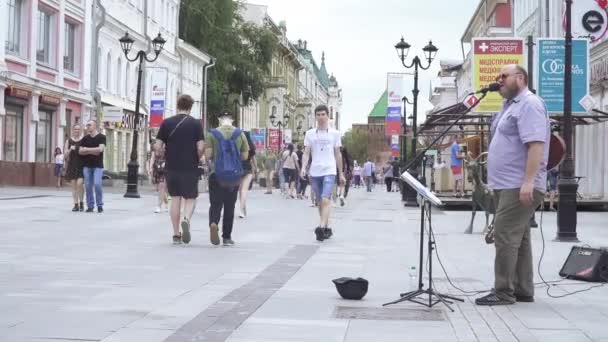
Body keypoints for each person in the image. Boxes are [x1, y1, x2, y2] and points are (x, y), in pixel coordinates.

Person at [475, 65, 550, 306]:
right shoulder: (508, 106)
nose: (499, 80)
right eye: (498, 77)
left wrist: (528, 181)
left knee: (504, 235)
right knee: (521, 237)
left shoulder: (530, 104)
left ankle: (503, 291)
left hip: (518, 184)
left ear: (521, 78)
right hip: (506, 184)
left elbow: (536, 145)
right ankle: (523, 289)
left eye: (504, 76)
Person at [156, 94, 205, 245]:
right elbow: (201, 147)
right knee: (190, 198)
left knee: (175, 199)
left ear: (177, 105)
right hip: (190, 167)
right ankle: (186, 220)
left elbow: (158, 147)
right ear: (191, 107)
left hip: (172, 167)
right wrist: (198, 156)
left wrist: (165, 154)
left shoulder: (166, 123)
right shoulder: (196, 124)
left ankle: (176, 234)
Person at [301, 104, 345, 241]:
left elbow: (338, 154)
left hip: (329, 170)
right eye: (318, 115)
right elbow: (306, 152)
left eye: (323, 114)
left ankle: (320, 227)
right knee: (320, 202)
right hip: (315, 171)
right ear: (315, 117)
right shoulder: (310, 134)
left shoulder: (335, 133)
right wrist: (303, 167)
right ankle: (326, 226)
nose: (320, 117)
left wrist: (341, 172)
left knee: (326, 199)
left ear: (327, 116)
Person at [205, 111, 249, 246]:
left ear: (220, 119)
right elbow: (245, 156)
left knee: (215, 203)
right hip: (233, 176)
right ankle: (227, 237)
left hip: (216, 174)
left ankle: (213, 223)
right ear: (232, 120)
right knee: (230, 206)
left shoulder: (212, 134)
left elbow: (208, 155)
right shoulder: (239, 134)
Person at [79, 120, 106, 213]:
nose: (88, 126)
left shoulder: (101, 137)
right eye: (87, 125)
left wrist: (87, 149)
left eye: (89, 125)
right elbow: (80, 151)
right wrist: (93, 151)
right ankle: (90, 206)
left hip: (98, 166)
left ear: (95, 126)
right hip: (87, 166)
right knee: (88, 186)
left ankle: (99, 205)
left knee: (97, 184)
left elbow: (101, 149)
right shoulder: (85, 138)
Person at [64, 124, 84, 212]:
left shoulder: (84, 140)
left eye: (79, 129)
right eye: (75, 129)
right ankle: (76, 204)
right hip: (72, 165)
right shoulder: (69, 141)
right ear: (73, 130)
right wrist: (70, 149)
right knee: (74, 187)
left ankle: (82, 202)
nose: (77, 131)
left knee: (80, 184)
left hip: (81, 165)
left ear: (81, 130)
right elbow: (65, 155)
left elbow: (86, 151)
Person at [239, 131, 257, 218]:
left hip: (238, 169)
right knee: (244, 190)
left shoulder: (238, 145)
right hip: (248, 169)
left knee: (240, 191)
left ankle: (242, 209)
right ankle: (242, 210)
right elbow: (254, 160)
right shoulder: (251, 146)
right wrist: (256, 169)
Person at [149, 145, 168, 213]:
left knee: (162, 186)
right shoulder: (156, 145)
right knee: (159, 188)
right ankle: (166, 202)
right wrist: (150, 168)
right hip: (156, 169)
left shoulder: (168, 146)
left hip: (165, 169)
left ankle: (159, 206)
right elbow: (152, 158)